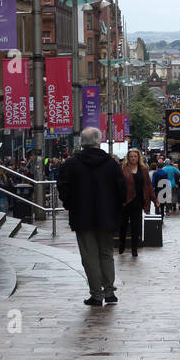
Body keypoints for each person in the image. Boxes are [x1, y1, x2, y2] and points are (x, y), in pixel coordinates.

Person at [57, 127, 127, 306]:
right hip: (107, 216)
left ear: (82, 142)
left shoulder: (71, 164)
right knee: (106, 253)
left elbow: (63, 188)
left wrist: (70, 204)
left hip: (82, 217)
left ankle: (96, 294)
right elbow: (122, 190)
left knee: (89, 256)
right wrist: (116, 208)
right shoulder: (111, 164)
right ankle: (109, 292)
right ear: (99, 141)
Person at [118, 148, 156, 256]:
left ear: (138, 157)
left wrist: (154, 199)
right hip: (125, 201)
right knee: (123, 226)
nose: (133, 158)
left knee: (136, 226)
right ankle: (122, 244)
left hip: (138, 201)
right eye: (131, 156)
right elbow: (119, 185)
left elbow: (148, 185)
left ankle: (134, 249)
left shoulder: (143, 169)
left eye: (135, 156)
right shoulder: (123, 169)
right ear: (128, 158)